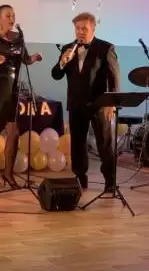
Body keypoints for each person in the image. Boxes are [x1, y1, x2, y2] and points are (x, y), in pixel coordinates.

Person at [51, 12, 120, 190]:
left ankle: (110, 182)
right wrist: (62, 62)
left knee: (105, 144)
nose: (80, 32)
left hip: (99, 105)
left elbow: (114, 77)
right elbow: (56, 75)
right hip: (76, 104)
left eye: (84, 29)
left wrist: (111, 103)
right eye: (77, 28)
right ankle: (80, 179)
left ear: (93, 29)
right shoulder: (68, 48)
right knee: (77, 144)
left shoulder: (105, 48)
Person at [0, 5, 42, 190]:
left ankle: (8, 174)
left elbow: (25, 59)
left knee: (13, 133)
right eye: (8, 15)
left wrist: (34, 58)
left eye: (13, 15)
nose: (12, 18)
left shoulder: (19, 37)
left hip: (11, 90)